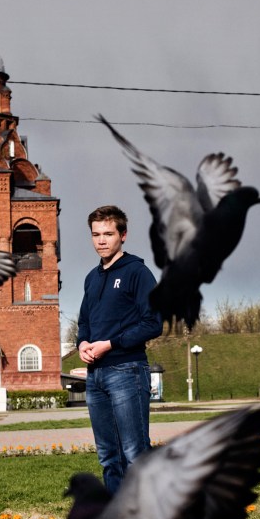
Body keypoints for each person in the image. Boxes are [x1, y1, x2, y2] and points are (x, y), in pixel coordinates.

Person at [77, 205, 162, 494]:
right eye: (96, 234)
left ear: (123, 235)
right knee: (108, 455)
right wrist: (83, 344)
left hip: (127, 371)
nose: (101, 240)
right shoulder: (92, 277)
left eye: (108, 234)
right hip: (96, 376)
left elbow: (153, 324)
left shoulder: (137, 272)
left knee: (134, 451)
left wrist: (111, 344)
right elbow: (85, 321)